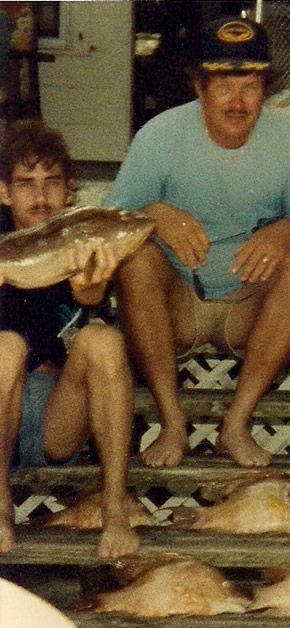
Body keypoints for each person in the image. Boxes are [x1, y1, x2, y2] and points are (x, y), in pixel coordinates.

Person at [106, 16, 290, 469]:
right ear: (199, 87)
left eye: (250, 86)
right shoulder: (159, 135)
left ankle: (235, 424)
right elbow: (108, 227)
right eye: (223, 86)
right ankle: (172, 422)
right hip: (175, 307)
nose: (237, 101)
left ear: (266, 89)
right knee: (136, 260)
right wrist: (152, 214)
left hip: (249, 307)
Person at [0, 119, 137, 560]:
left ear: (70, 190)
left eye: (52, 182)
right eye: (26, 184)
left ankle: (114, 509)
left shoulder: (84, 237)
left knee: (103, 340)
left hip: (57, 419)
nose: (40, 196)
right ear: (5, 191)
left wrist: (90, 293)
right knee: (6, 349)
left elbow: (86, 318)